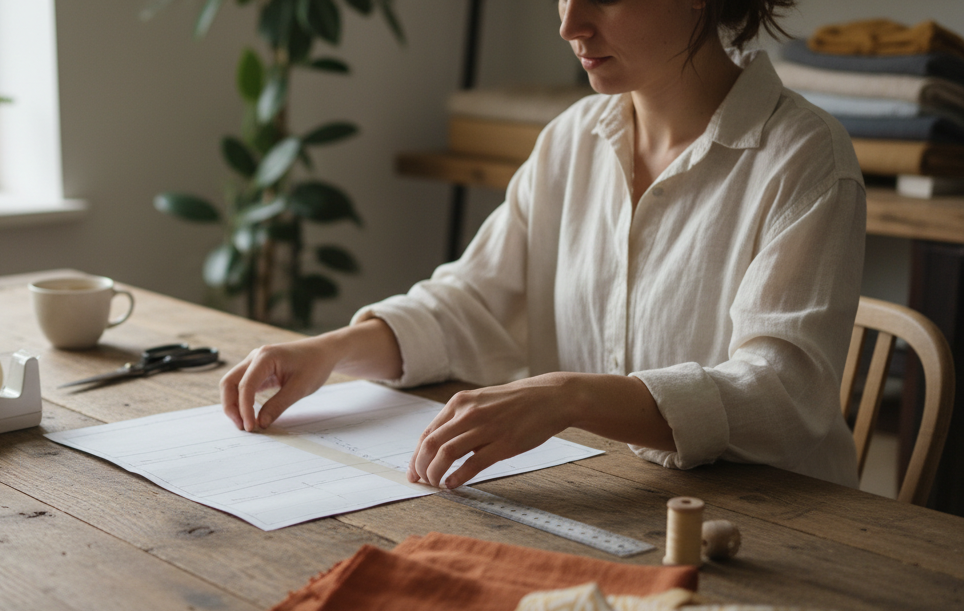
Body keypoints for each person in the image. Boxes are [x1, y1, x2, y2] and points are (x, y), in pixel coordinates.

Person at [220, 0, 865, 492]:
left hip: (778, 527)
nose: (570, 24)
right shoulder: (572, 139)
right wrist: (329, 352)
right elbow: (472, 301)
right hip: (607, 495)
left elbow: (782, 392)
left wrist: (569, 397)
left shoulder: (805, 158)